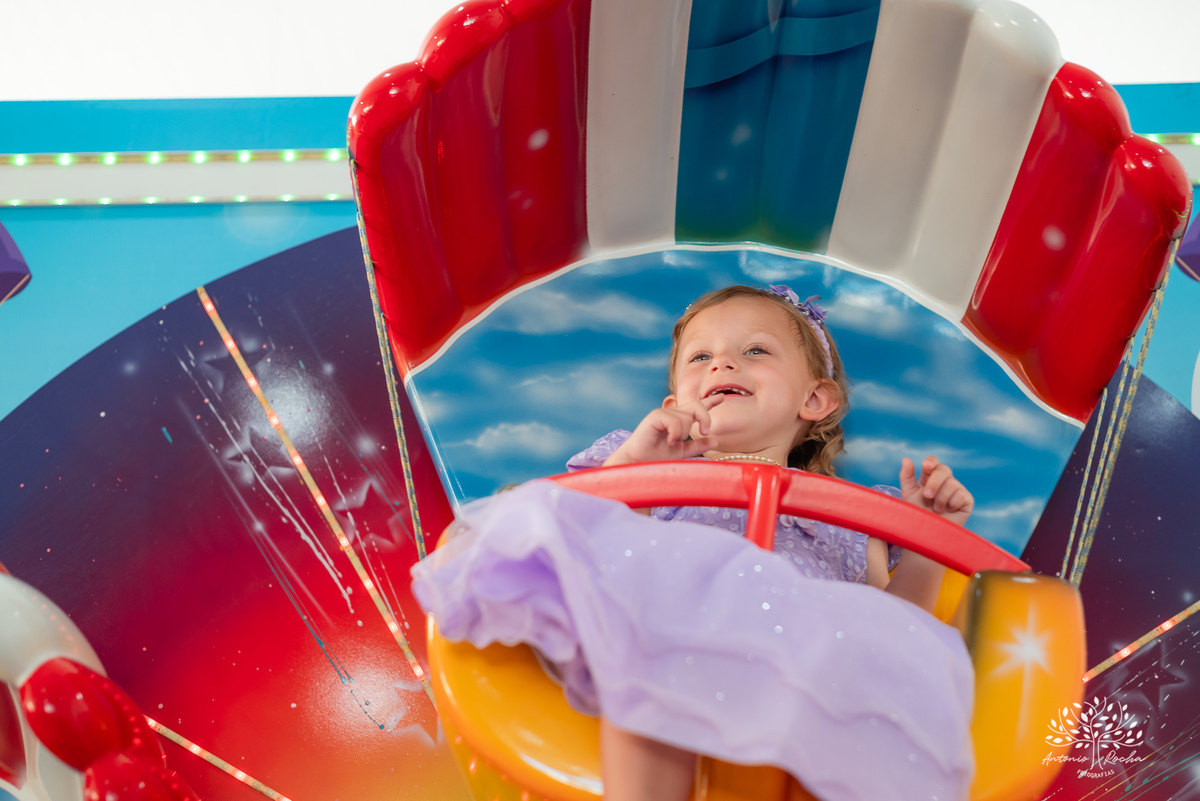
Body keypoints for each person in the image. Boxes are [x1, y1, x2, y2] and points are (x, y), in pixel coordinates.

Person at [412, 284, 976, 801]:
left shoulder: (853, 517)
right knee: (656, 614)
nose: (723, 362)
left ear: (815, 401)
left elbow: (895, 635)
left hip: (795, 679)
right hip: (657, 641)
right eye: (700, 357)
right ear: (671, 403)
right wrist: (637, 467)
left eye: (755, 351)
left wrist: (926, 536)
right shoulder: (641, 456)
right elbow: (578, 537)